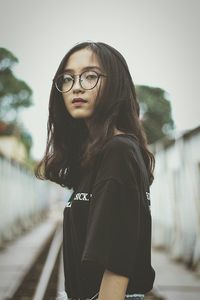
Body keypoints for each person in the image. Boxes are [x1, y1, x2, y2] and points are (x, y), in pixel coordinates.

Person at [36, 41, 156, 300]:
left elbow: (117, 262)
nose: (76, 86)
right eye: (67, 78)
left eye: (90, 76)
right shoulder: (99, 156)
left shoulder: (119, 151)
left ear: (116, 84)